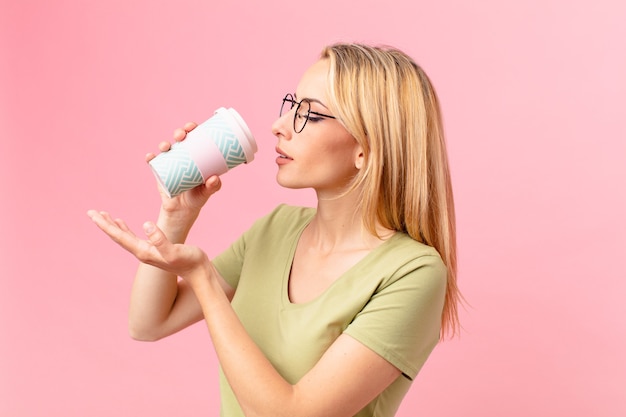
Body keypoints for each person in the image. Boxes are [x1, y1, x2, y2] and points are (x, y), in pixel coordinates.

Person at [87, 43, 461, 417]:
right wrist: (176, 217)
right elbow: (148, 323)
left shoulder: (413, 272)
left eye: (309, 115)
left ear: (365, 148)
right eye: (292, 106)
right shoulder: (275, 229)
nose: (279, 126)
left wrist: (201, 277)